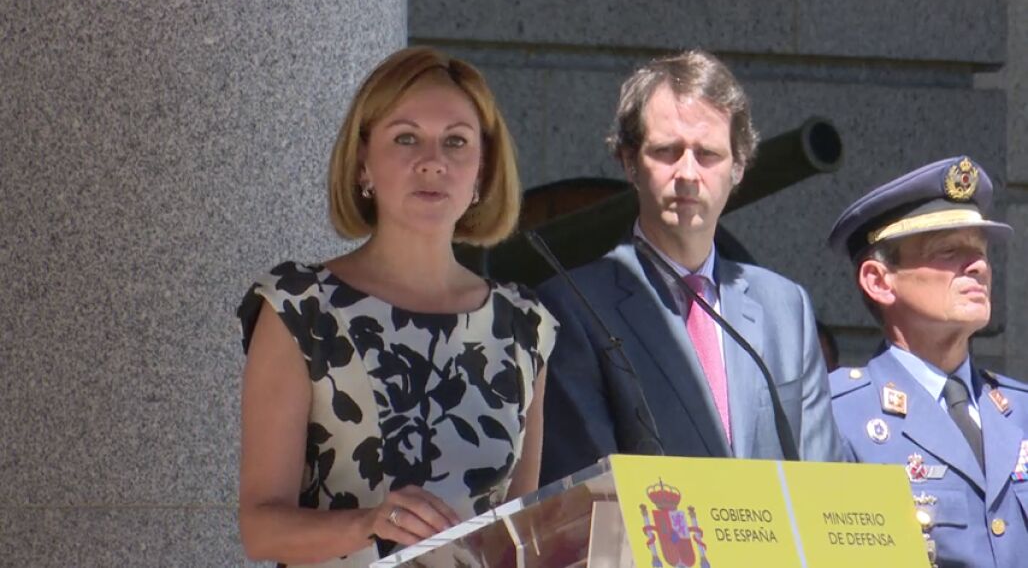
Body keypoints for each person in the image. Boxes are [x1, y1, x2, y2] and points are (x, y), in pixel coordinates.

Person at [235, 46, 558, 567]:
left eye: (456, 141)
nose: (433, 161)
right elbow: (260, 529)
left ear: (482, 171)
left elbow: (522, 539)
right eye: (406, 138)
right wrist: (369, 524)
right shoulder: (301, 307)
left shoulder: (525, 325)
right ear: (363, 163)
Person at [537, 50, 846, 485]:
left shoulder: (786, 307)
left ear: (738, 167)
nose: (687, 173)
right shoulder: (573, 306)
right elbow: (591, 491)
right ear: (629, 162)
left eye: (708, 154)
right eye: (667, 151)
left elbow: (823, 482)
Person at [826, 156, 1027, 568]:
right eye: (948, 251)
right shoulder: (837, 415)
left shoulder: (1021, 409)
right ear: (879, 281)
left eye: (981, 252)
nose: (979, 266)